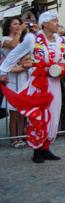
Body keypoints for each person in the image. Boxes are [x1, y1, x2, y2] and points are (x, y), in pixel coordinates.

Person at [0, 11, 65, 163]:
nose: (57, 23)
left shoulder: (60, 40)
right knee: (38, 116)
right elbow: (15, 54)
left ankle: (46, 148)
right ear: (45, 24)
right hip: (38, 83)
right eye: (54, 21)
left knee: (53, 117)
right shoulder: (32, 39)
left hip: (54, 82)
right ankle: (37, 150)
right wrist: (3, 71)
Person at [1, 17, 28, 148]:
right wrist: (20, 32)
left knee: (22, 111)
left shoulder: (22, 41)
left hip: (22, 75)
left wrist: (25, 65)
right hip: (11, 77)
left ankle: (20, 136)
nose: (18, 26)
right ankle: (13, 138)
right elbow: (12, 46)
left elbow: (26, 57)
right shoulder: (4, 40)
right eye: (15, 24)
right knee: (13, 112)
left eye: (19, 24)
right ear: (9, 26)